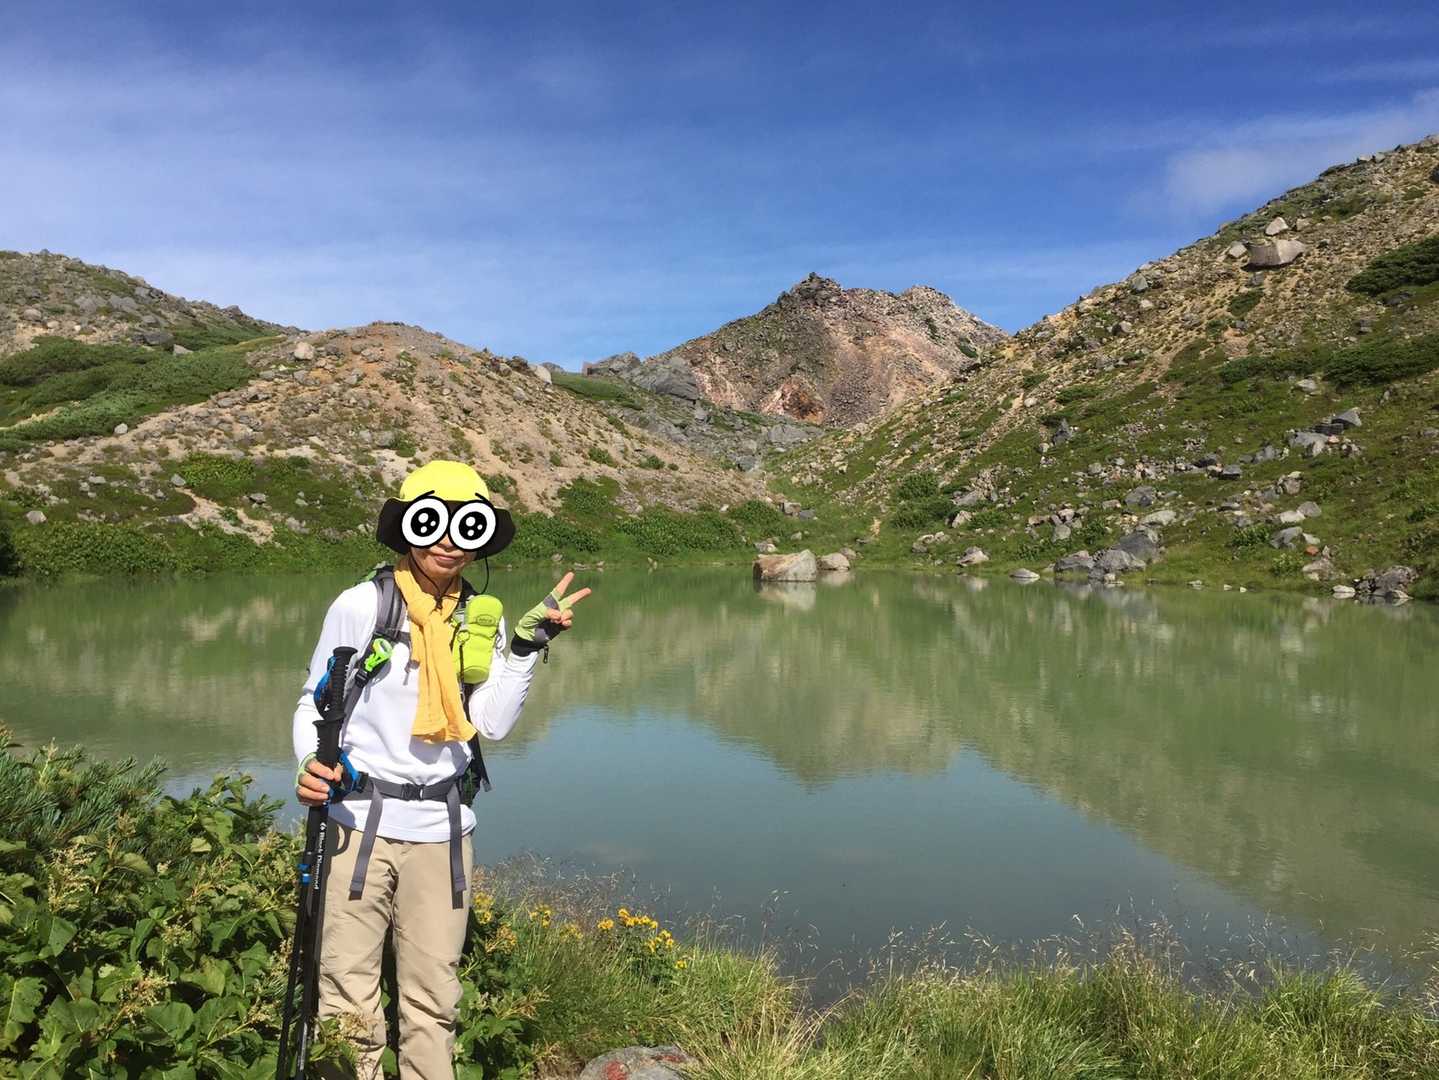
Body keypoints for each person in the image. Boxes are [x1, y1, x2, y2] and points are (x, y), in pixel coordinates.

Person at [293, 459, 590, 1078]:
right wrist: (309, 764)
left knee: (434, 1000)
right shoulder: (362, 606)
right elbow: (314, 703)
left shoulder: (481, 617)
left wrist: (524, 649)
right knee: (347, 996)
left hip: (443, 830)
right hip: (358, 825)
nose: (450, 542)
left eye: (467, 527)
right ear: (408, 525)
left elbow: (491, 723)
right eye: (434, 524)